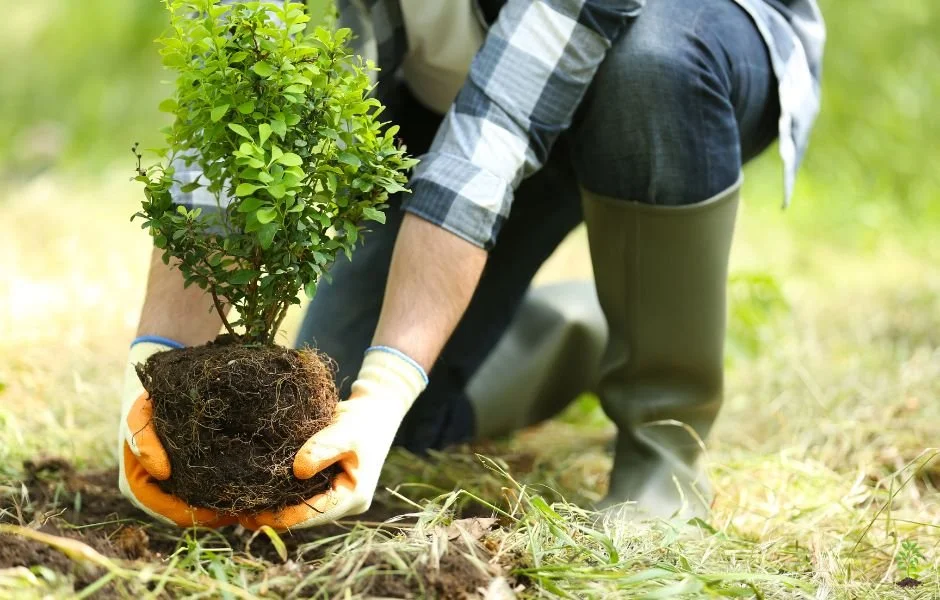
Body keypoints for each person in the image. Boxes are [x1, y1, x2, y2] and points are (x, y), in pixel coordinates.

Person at [118, 0, 825, 528]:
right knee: (351, 418)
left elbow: (499, 126)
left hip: (674, 55)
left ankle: (663, 444)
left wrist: (392, 381)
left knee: (652, 67)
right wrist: (155, 364)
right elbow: (252, 75)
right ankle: (591, 324)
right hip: (443, 92)